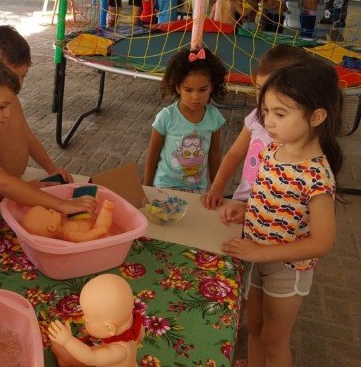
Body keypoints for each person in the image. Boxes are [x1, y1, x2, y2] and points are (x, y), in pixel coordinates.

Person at [220, 59, 342, 367]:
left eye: (279, 114)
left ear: (316, 116)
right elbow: (274, 197)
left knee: (275, 340)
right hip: (258, 257)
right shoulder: (274, 150)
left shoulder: (317, 175)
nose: (268, 122)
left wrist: (260, 254)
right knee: (256, 329)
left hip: (288, 269)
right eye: (266, 112)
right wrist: (246, 210)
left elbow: (323, 242)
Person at [0, 52, 95, 226]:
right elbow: (3, 184)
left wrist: (35, 187)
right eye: (2, 107)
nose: (7, 114)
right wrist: (63, 205)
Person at [201, 45, 311, 209]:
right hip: (242, 202)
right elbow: (234, 153)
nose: (262, 97)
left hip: (270, 214)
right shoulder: (256, 116)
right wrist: (217, 186)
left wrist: (250, 211)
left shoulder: (297, 131)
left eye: (270, 89)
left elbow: (291, 194)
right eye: (259, 89)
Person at [0, 26, 72, 186]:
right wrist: (29, 188)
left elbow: (28, 138)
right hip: (2, 193)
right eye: (12, 78)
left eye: (23, 76)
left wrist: (51, 169)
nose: (19, 84)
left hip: (17, 184)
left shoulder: (13, 102)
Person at [143, 47, 227, 192]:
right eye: (188, 90)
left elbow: (214, 155)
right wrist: (146, 187)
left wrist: (216, 188)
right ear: (177, 88)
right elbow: (153, 153)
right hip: (164, 186)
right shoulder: (166, 117)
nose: (196, 96)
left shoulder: (214, 117)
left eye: (203, 89)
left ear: (212, 87)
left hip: (197, 188)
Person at [48, 274, 142, 366]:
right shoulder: (136, 326)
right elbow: (140, 337)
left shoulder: (119, 351)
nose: (83, 318)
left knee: (72, 355)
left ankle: (65, 362)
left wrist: (67, 340)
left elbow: (91, 358)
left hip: (104, 359)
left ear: (109, 329)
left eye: (88, 321)